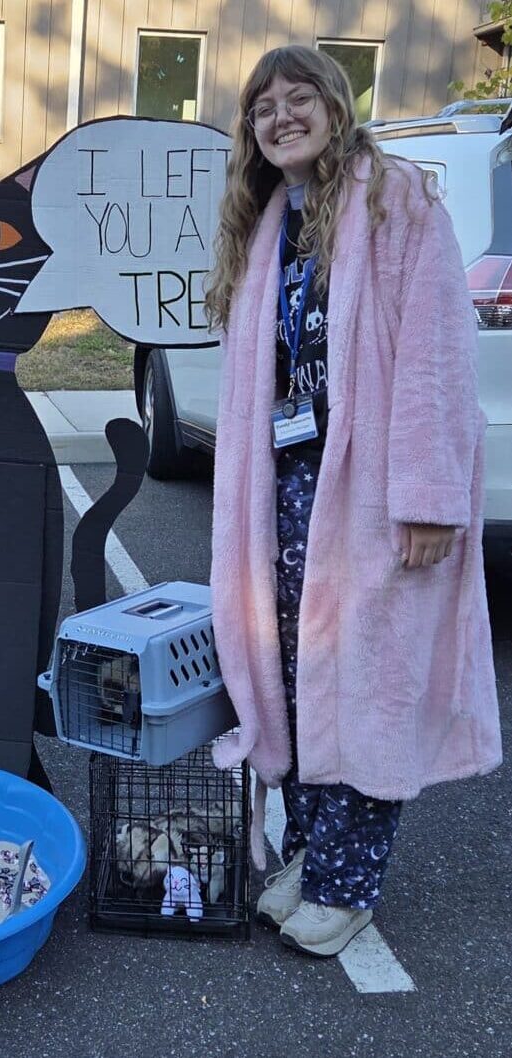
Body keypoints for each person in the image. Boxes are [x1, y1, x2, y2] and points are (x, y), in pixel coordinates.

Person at [203, 45, 501, 957]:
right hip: (285, 494)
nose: (279, 116)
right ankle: (306, 855)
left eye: (298, 100)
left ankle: (346, 883)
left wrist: (426, 497)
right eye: (263, 107)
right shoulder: (265, 223)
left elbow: (437, 357)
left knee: (371, 686)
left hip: (371, 491)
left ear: (335, 107)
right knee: (298, 685)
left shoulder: (393, 200)